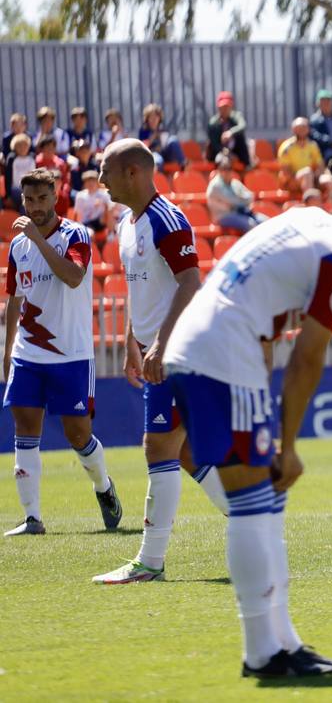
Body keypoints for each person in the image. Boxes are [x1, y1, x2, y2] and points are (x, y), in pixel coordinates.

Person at [164, 167, 332, 678]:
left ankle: (283, 642)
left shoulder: (313, 220)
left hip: (209, 343)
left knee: (266, 505)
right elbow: (307, 358)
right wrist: (288, 443)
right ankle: (262, 651)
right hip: (221, 352)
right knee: (251, 504)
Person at [90, 140, 228, 582]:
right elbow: (142, 289)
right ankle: (255, 523)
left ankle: (150, 561)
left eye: (106, 171)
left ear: (132, 171)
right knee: (186, 452)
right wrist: (134, 340)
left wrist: (161, 345)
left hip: (181, 351)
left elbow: (191, 282)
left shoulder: (168, 219)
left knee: (158, 446)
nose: (100, 180)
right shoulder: (129, 224)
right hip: (160, 350)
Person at [4, 168, 122, 536]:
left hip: (70, 353)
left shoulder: (76, 235)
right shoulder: (17, 246)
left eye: (41, 199)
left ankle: (103, 486)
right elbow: (13, 300)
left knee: (77, 435)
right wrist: (8, 351)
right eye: (28, 199)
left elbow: (72, 277)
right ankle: (32, 517)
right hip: (29, 352)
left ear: (55, 197)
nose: (34, 206)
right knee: (24, 427)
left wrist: (39, 239)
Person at [206, 153, 264, 233]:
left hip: (239, 213)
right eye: (223, 168)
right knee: (251, 224)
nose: (226, 171)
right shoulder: (215, 186)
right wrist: (243, 199)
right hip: (223, 217)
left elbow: (250, 196)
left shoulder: (234, 183)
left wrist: (244, 199)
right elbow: (234, 202)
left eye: (229, 168)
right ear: (219, 169)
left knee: (265, 221)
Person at [277, 118, 324, 195]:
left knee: (329, 181)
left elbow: (320, 165)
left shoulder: (312, 145)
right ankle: (310, 203)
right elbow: (286, 172)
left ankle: (331, 206)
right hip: (291, 182)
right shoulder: (287, 148)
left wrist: (316, 176)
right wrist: (306, 177)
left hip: (311, 178)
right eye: (299, 128)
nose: (302, 130)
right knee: (307, 173)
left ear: (308, 129)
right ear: (293, 130)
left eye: (304, 127)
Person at [139, 103, 186, 171]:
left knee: (173, 140)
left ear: (159, 118)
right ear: (147, 119)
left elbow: (166, 143)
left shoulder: (161, 129)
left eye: (156, 117)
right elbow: (143, 147)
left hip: (165, 154)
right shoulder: (144, 130)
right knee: (158, 161)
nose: (154, 120)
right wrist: (154, 136)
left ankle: (183, 164)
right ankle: (157, 177)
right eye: (151, 117)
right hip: (152, 154)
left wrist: (162, 144)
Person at [208, 92, 250, 167]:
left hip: (236, 152)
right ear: (219, 107)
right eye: (223, 107)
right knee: (222, 160)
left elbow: (242, 125)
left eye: (227, 106)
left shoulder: (236, 116)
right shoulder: (213, 123)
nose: (225, 109)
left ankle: (247, 168)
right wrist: (225, 152)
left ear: (231, 107)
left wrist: (231, 132)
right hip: (220, 153)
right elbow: (214, 144)